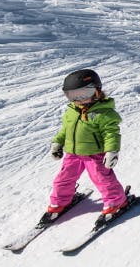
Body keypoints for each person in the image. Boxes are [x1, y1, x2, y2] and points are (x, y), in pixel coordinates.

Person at [45, 68, 126, 222]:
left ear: (97, 91)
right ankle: (60, 202)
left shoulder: (104, 113)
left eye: (84, 94)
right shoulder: (71, 111)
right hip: (72, 154)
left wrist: (112, 151)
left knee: (102, 179)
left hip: (95, 155)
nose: (79, 100)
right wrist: (57, 143)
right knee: (63, 179)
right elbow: (66, 130)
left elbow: (112, 134)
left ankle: (116, 201)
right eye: (73, 96)